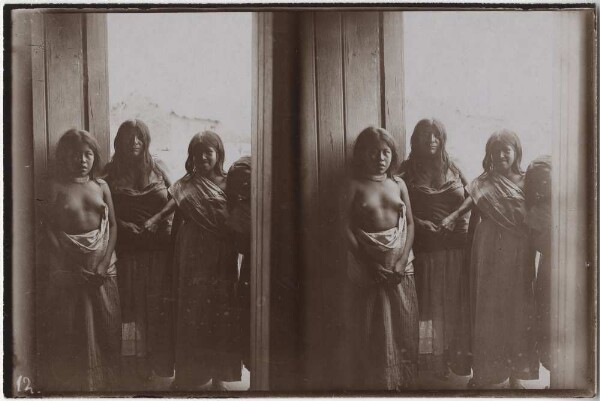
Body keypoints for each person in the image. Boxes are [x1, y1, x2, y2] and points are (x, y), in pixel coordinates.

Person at [144, 131, 241, 391]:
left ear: (218, 154)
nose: (202, 157)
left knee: (220, 310)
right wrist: (154, 220)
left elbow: (238, 215)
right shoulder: (187, 182)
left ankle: (220, 378)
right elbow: (172, 205)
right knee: (191, 310)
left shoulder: (229, 182)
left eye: (208, 152)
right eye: (197, 153)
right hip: (191, 252)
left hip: (220, 252)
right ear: (191, 156)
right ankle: (188, 374)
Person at [447, 129, 538, 388]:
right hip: (487, 248)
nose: (500, 156)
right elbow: (471, 203)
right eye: (495, 151)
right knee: (486, 308)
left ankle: (515, 376)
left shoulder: (526, 180)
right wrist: (453, 217)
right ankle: (482, 373)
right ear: (489, 155)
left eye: (505, 150)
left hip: (518, 250)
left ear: (516, 153)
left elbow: (536, 210)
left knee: (515, 309)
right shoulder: (484, 180)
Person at [42, 129, 121, 391]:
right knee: (72, 326)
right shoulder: (55, 188)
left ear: (95, 157)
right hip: (69, 267)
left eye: (88, 154)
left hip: (102, 268)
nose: (82, 160)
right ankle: (75, 386)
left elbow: (112, 225)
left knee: (106, 324)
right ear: (65, 157)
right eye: (76, 155)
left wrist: (103, 262)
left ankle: (107, 384)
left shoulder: (101, 186)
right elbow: (48, 229)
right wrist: (71, 265)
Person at [342, 126, 419, 390]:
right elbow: (342, 227)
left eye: (385, 152)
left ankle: (402, 386)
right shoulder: (354, 185)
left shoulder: (399, 184)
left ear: (393, 155)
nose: (380, 158)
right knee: (371, 330)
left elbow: (409, 223)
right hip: (368, 268)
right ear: (362, 155)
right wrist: (369, 263)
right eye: (373, 152)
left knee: (404, 329)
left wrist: (400, 262)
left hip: (400, 269)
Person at [399, 119, 471, 379]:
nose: (431, 139)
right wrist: (419, 222)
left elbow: (474, 194)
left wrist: (453, 217)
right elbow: (397, 208)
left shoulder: (453, 166)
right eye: (425, 135)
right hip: (426, 251)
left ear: (443, 140)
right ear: (415, 140)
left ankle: (454, 360)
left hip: (456, 249)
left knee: (454, 305)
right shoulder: (406, 171)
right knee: (428, 308)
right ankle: (432, 365)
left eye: (436, 135)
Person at [103, 119, 174, 382]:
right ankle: (132, 366)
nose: (134, 142)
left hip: (158, 252)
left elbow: (179, 197)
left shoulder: (159, 168)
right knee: (130, 308)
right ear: (119, 141)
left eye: (139, 137)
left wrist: (157, 221)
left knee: (155, 307)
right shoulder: (108, 173)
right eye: (128, 137)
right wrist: (122, 225)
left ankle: (156, 365)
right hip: (125, 252)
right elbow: (100, 211)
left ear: (146, 142)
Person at [524, 155, 552, 372]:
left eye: (546, 180)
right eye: (537, 182)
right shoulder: (536, 210)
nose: (543, 186)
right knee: (546, 314)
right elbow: (535, 245)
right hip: (548, 269)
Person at [226, 156, 252, 371]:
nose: (244, 186)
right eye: (239, 183)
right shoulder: (240, 208)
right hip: (251, 267)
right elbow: (241, 246)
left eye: (248, 181)